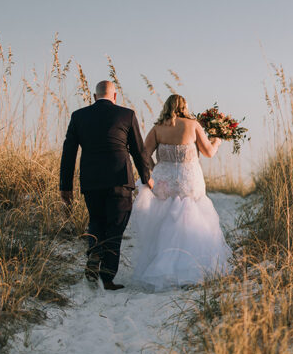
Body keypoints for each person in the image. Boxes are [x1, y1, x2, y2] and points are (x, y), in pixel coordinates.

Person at [126, 94, 231, 290]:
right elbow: (208, 152)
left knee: (164, 219)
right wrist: (217, 140)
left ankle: (162, 267)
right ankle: (191, 268)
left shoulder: (158, 129)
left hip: (163, 179)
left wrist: (155, 166)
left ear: (166, 107)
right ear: (184, 107)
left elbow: (143, 155)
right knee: (191, 217)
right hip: (188, 179)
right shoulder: (192, 125)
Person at [60, 80, 152, 291]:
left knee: (97, 221)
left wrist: (65, 187)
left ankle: (94, 252)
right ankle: (107, 277)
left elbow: (68, 153)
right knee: (115, 227)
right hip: (119, 179)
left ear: (94, 97)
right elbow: (139, 150)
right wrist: (147, 177)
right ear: (115, 96)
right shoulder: (127, 114)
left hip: (91, 181)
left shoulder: (78, 116)